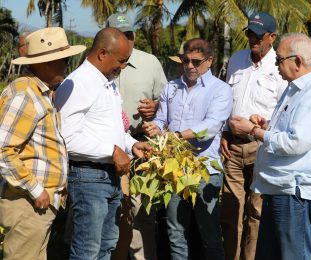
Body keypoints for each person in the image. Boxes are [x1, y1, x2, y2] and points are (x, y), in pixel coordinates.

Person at [228, 32, 311, 259]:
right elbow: (290, 131)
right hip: (280, 188)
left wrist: (253, 131)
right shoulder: (295, 88)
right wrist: (266, 126)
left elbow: (295, 143)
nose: (276, 65)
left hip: (294, 192)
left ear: (297, 62)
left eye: (279, 60)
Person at [54, 27, 151, 260]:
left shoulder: (107, 83)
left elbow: (112, 129)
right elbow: (66, 137)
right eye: (121, 61)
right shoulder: (78, 82)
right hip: (88, 178)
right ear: (102, 54)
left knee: (106, 246)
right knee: (87, 251)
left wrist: (130, 145)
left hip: (109, 177)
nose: (123, 67)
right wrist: (111, 151)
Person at [0, 27, 85, 260]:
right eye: (64, 59)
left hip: (36, 203)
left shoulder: (40, 93)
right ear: (45, 63)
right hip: (27, 203)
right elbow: (3, 149)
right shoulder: (25, 93)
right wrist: (35, 189)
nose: (67, 64)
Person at [143, 38, 232, 260]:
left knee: (209, 233)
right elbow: (162, 118)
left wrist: (178, 136)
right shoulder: (171, 87)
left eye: (196, 61)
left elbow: (211, 126)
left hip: (205, 170)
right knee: (175, 231)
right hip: (174, 170)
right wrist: (154, 127)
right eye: (185, 61)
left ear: (209, 61)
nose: (190, 66)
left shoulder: (220, 90)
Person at [220, 11, 287, 260]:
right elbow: (226, 101)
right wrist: (224, 131)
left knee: (256, 213)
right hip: (233, 148)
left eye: (258, 36)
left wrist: (261, 131)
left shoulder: (279, 66)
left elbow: (283, 111)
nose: (253, 40)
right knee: (230, 212)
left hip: (261, 146)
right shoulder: (237, 60)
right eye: (250, 34)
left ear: (272, 37)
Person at [105, 13, 167, 260]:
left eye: (130, 35)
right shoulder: (96, 62)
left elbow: (167, 103)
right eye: (120, 35)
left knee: (142, 216)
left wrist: (155, 107)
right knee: (115, 213)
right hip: (107, 150)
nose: (127, 41)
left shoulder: (150, 62)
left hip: (141, 148)